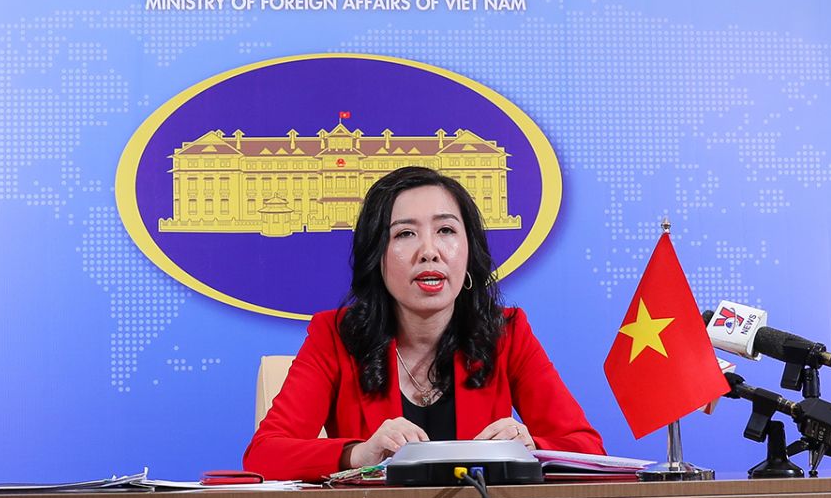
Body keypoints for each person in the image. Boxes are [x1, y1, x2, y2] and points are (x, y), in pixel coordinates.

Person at [245, 164, 605, 479]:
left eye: (446, 230)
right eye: (405, 234)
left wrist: (530, 448)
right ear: (377, 256)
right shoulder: (336, 336)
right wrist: (359, 454)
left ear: (469, 250)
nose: (429, 251)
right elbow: (264, 456)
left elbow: (588, 450)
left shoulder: (506, 333)